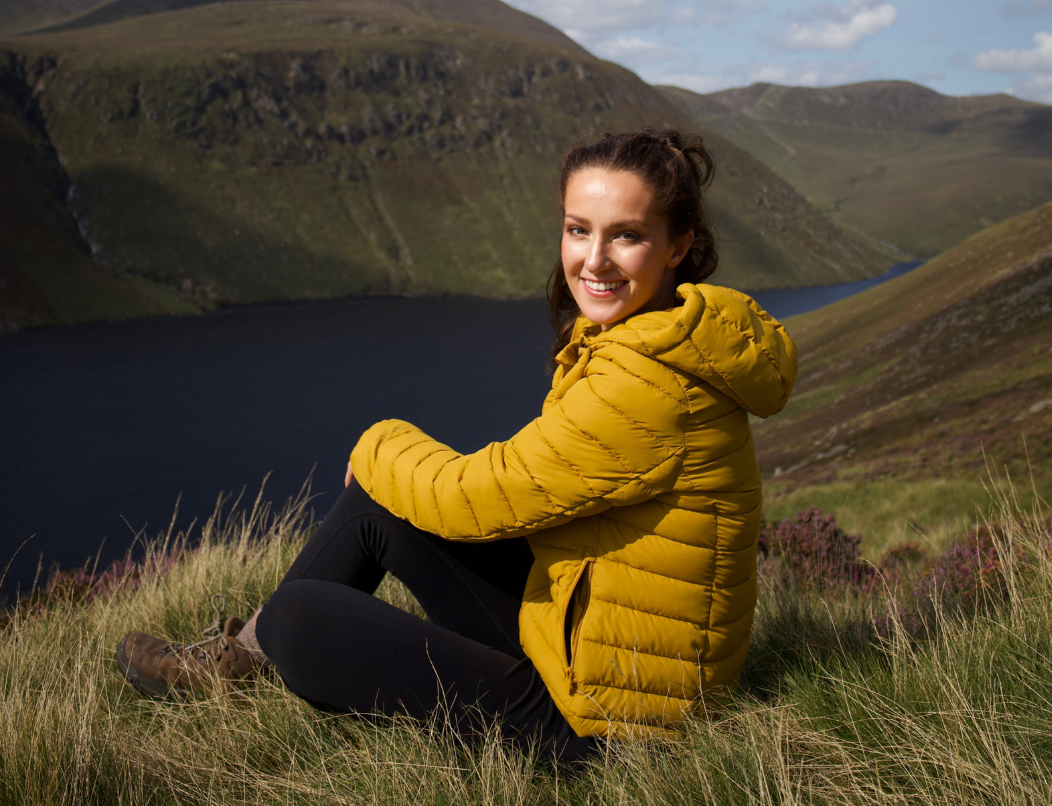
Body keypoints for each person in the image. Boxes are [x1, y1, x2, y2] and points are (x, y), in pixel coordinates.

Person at [116, 128, 797, 763]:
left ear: (677, 246)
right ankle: (237, 658)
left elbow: (485, 496)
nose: (593, 260)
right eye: (577, 230)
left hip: (612, 727)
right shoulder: (666, 340)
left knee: (299, 619)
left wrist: (378, 444)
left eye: (626, 237)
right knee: (382, 510)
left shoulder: (648, 384)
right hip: (591, 651)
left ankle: (259, 647)